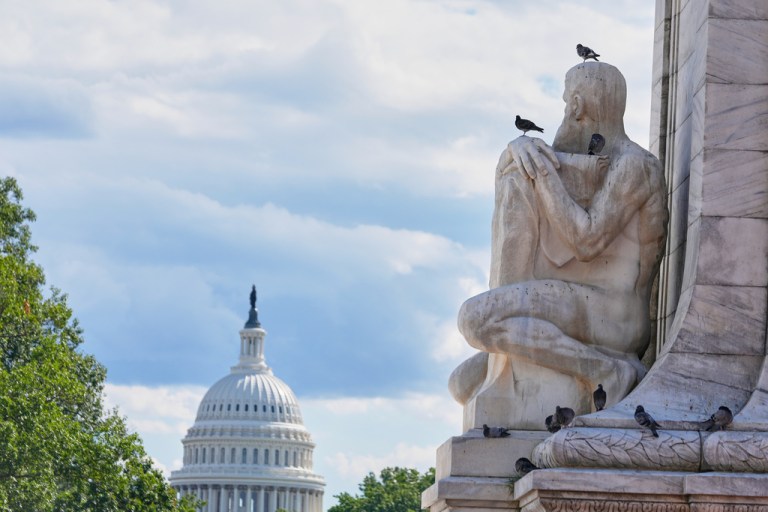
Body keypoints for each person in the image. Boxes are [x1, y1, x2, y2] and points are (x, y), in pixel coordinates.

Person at [449, 62, 668, 430]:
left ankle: (606, 370)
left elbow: (587, 240)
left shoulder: (636, 165)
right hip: (583, 306)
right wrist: (517, 151)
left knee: (475, 319)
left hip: (614, 315)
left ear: (577, 106)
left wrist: (543, 172)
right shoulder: (607, 161)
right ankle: (593, 365)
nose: (566, 108)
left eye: (567, 100)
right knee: (462, 382)